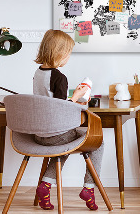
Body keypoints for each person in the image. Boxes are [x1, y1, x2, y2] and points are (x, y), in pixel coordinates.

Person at [33, 29, 103, 211]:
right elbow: (60, 109)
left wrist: (72, 97)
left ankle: (45, 186)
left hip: (39, 134)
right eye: (68, 53)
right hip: (56, 134)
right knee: (98, 142)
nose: (68, 57)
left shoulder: (38, 73)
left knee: (63, 146)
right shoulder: (59, 77)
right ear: (59, 53)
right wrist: (77, 97)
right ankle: (89, 188)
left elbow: (50, 102)